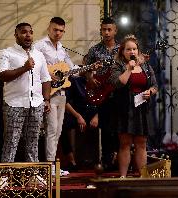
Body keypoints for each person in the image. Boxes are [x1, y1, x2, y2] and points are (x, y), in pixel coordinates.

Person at [0, 22, 51, 163]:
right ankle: (5, 175)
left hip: (36, 104)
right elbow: (2, 75)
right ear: (16, 35)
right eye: (23, 32)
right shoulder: (6, 53)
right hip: (14, 104)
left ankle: (33, 173)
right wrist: (24, 68)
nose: (28, 35)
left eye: (30, 32)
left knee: (33, 142)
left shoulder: (39, 55)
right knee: (11, 141)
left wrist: (46, 100)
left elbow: (45, 79)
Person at [34, 17, 79, 176]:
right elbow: (33, 64)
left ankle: (52, 165)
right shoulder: (39, 45)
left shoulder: (61, 48)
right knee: (51, 130)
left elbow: (72, 69)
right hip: (46, 93)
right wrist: (48, 72)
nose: (58, 33)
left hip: (60, 92)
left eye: (61, 31)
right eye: (55, 29)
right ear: (49, 28)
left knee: (58, 130)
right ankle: (49, 166)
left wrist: (90, 67)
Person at [110, 34, 158, 178]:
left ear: (138, 51)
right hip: (125, 108)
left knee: (141, 143)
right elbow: (118, 83)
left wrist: (150, 91)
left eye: (134, 49)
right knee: (125, 143)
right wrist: (129, 69)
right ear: (122, 52)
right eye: (128, 49)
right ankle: (123, 176)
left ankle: (142, 177)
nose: (132, 52)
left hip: (142, 108)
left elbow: (155, 85)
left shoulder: (145, 66)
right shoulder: (117, 65)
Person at [84, 17, 120, 171]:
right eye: (104, 29)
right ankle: (106, 160)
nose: (106, 32)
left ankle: (119, 159)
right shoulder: (95, 50)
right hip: (102, 94)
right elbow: (86, 68)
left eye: (109, 29)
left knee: (119, 128)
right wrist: (90, 78)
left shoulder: (122, 48)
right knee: (105, 128)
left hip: (119, 93)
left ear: (115, 30)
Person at [60, 74, 99, 171]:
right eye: (91, 72)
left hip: (96, 114)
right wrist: (78, 116)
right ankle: (72, 161)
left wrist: (97, 116)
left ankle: (106, 160)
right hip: (78, 113)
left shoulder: (102, 80)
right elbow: (65, 101)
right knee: (61, 126)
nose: (93, 74)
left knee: (110, 124)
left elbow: (106, 101)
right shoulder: (75, 81)